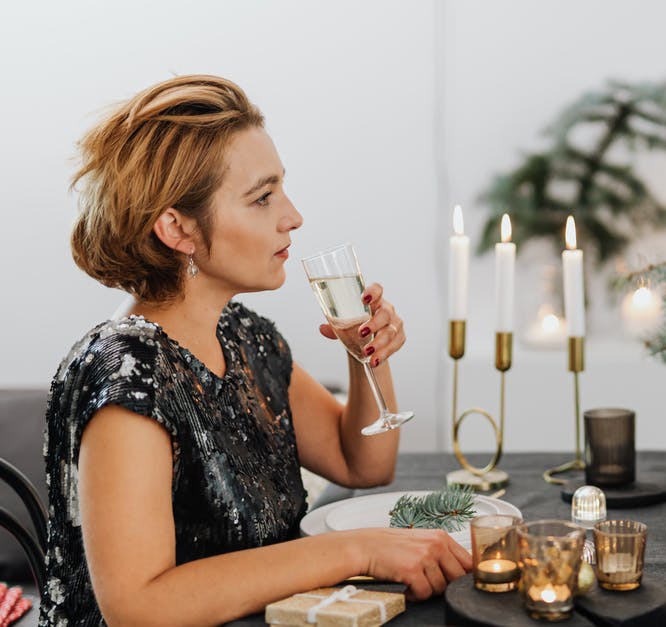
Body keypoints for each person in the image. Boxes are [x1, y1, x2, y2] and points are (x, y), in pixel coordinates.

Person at [42, 75, 472, 626]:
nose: (292, 216)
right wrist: (355, 549)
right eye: (262, 197)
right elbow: (138, 607)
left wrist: (367, 355)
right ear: (177, 228)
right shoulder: (125, 374)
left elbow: (362, 463)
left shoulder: (244, 336)